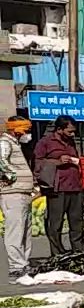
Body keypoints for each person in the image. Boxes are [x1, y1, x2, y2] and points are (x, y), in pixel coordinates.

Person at [35, 115, 84, 256]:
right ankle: (57, 253)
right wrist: (57, 161)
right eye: (69, 131)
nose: (72, 134)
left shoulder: (71, 142)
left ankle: (79, 251)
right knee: (55, 223)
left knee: (77, 222)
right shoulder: (45, 142)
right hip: (56, 188)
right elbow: (38, 164)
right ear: (59, 129)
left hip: (75, 186)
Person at [0, 118, 33, 279]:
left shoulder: (16, 144)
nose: (28, 134)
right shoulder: (4, 142)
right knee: (15, 231)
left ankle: (23, 263)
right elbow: (1, 161)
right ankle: (16, 266)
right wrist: (11, 176)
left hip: (23, 193)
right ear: (17, 129)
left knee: (25, 231)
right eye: (26, 130)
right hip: (12, 193)